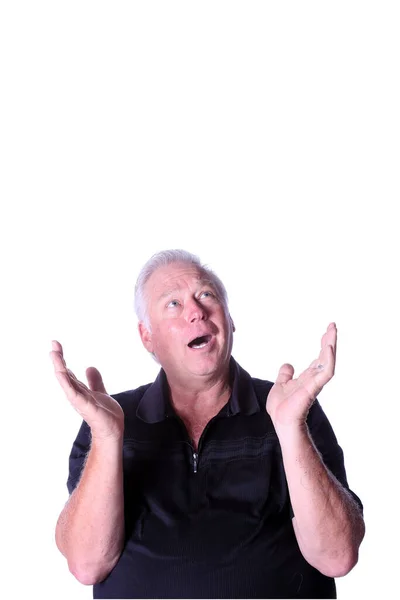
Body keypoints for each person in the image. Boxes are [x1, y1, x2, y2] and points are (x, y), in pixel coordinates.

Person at [51, 249, 365, 599]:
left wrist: (291, 429)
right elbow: (86, 564)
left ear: (229, 320)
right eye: (173, 304)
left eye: (206, 295)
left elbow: (337, 556)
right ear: (147, 336)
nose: (196, 312)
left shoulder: (290, 408)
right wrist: (108, 438)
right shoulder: (110, 418)